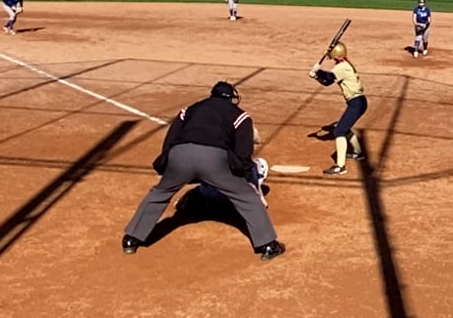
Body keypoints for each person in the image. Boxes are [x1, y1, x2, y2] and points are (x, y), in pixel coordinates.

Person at [122, 81, 285, 260]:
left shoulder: (190, 109)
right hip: (214, 160)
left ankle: (131, 239)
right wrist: (241, 176)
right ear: (232, 98)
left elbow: (171, 138)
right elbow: (244, 153)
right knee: (247, 197)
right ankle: (268, 245)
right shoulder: (240, 115)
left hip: (179, 156)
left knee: (159, 193)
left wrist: (167, 166)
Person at [310, 42, 367, 175]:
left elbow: (328, 79)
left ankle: (340, 166)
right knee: (344, 127)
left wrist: (317, 72)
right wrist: (317, 75)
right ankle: (358, 153)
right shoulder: (345, 65)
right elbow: (327, 81)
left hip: (356, 103)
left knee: (339, 131)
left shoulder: (342, 67)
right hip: (359, 102)